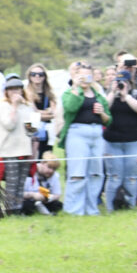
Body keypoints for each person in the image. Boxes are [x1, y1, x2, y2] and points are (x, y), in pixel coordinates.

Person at [59, 63, 111, 216]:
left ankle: (91, 208)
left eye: (88, 76)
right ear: (76, 76)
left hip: (96, 133)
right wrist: (77, 88)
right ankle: (74, 209)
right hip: (77, 133)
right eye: (81, 76)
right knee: (78, 172)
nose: (85, 79)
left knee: (96, 173)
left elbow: (108, 120)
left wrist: (102, 113)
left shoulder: (99, 95)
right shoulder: (69, 92)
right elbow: (70, 108)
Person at [102, 64, 137, 211]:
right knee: (114, 176)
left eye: (124, 82)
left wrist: (126, 96)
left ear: (130, 83)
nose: (121, 85)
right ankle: (110, 207)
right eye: (118, 82)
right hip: (113, 142)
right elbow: (103, 108)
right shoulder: (109, 96)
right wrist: (113, 92)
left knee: (132, 178)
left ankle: (131, 205)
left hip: (135, 142)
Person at [0, 75, 39, 214]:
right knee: (11, 182)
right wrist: (14, 106)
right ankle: (9, 208)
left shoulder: (27, 106)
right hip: (8, 149)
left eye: (17, 89)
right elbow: (9, 124)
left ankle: (18, 208)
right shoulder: (2, 105)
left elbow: (32, 129)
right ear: (6, 92)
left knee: (21, 181)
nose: (15, 92)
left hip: (24, 148)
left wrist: (33, 146)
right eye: (11, 90)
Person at [24, 63, 58, 160]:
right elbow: (31, 113)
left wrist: (39, 113)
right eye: (34, 74)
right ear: (29, 76)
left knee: (46, 157)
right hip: (31, 127)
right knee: (31, 157)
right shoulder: (26, 92)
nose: (37, 76)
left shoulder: (49, 93)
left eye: (40, 74)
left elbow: (54, 113)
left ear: (44, 76)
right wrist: (46, 112)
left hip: (47, 130)